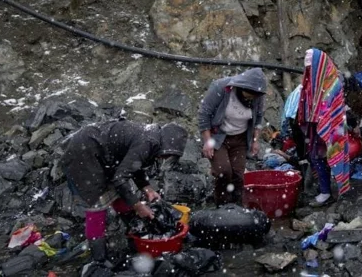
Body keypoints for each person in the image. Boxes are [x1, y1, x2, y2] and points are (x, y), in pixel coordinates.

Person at [61, 120, 188, 264]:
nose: (164, 158)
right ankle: (99, 259)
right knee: (97, 204)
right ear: (165, 143)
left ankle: (134, 234)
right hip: (84, 153)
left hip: (103, 154)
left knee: (119, 193)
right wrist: (138, 206)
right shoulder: (148, 142)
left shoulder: (154, 139)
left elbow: (134, 164)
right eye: (167, 154)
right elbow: (121, 178)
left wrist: (147, 188)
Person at [198, 68, 267, 206]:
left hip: (240, 138)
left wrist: (255, 140)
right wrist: (207, 141)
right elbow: (204, 113)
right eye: (249, 95)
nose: (251, 99)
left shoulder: (257, 96)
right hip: (219, 137)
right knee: (223, 172)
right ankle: (222, 205)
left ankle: (236, 206)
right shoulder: (221, 88)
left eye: (254, 97)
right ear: (241, 87)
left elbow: (259, 118)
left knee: (238, 175)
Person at [297, 48, 350, 206]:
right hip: (316, 126)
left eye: (311, 68)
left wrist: (322, 120)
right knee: (316, 157)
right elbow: (306, 101)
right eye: (307, 68)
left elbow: (327, 106)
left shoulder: (333, 81)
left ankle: (339, 190)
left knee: (334, 156)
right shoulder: (310, 82)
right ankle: (325, 191)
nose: (309, 71)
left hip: (333, 126)